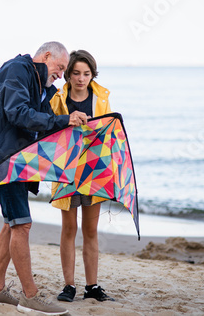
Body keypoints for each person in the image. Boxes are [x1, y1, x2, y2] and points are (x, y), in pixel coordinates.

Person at [0, 41, 88, 315]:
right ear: (45, 56)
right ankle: (30, 296)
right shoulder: (17, 70)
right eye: (60, 67)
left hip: (16, 160)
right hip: (2, 157)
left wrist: (76, 125)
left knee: (11, 224)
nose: (61, 74)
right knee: (22, 225)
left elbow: (48, 126)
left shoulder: (42, 86)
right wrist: (64, 120)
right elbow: (18, 114)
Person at [49, 50, 115, 303]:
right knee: (69, 228)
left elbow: (108, 134)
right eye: (76, 73)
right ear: (68, 74)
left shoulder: (101, 97)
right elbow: (50, 130)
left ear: (92, 74)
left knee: (90, 230)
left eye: (86, 73)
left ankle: (92, 286)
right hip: (66, 169)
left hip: (94, 170)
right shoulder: (58, 98)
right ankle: (69, 286)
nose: (81, 78)